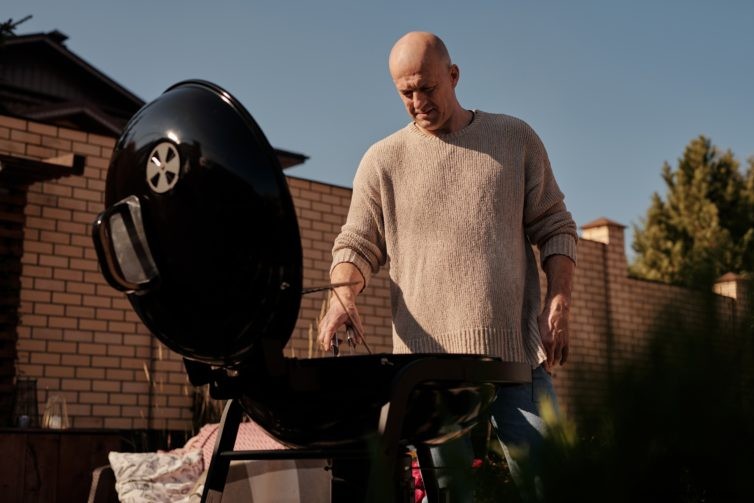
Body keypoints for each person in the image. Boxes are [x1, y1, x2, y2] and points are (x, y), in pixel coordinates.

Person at [318, 31, 577, 501]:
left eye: (427, 88)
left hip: (514, 355)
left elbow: (556, 225)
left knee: (549, 483)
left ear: (453, 76)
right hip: (429, 369)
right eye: (405, 92)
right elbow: (355, 245)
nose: (418, 101)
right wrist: (342, 297)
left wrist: (558, 302)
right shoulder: (382, 162)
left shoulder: (514, 138)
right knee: (452, 494)